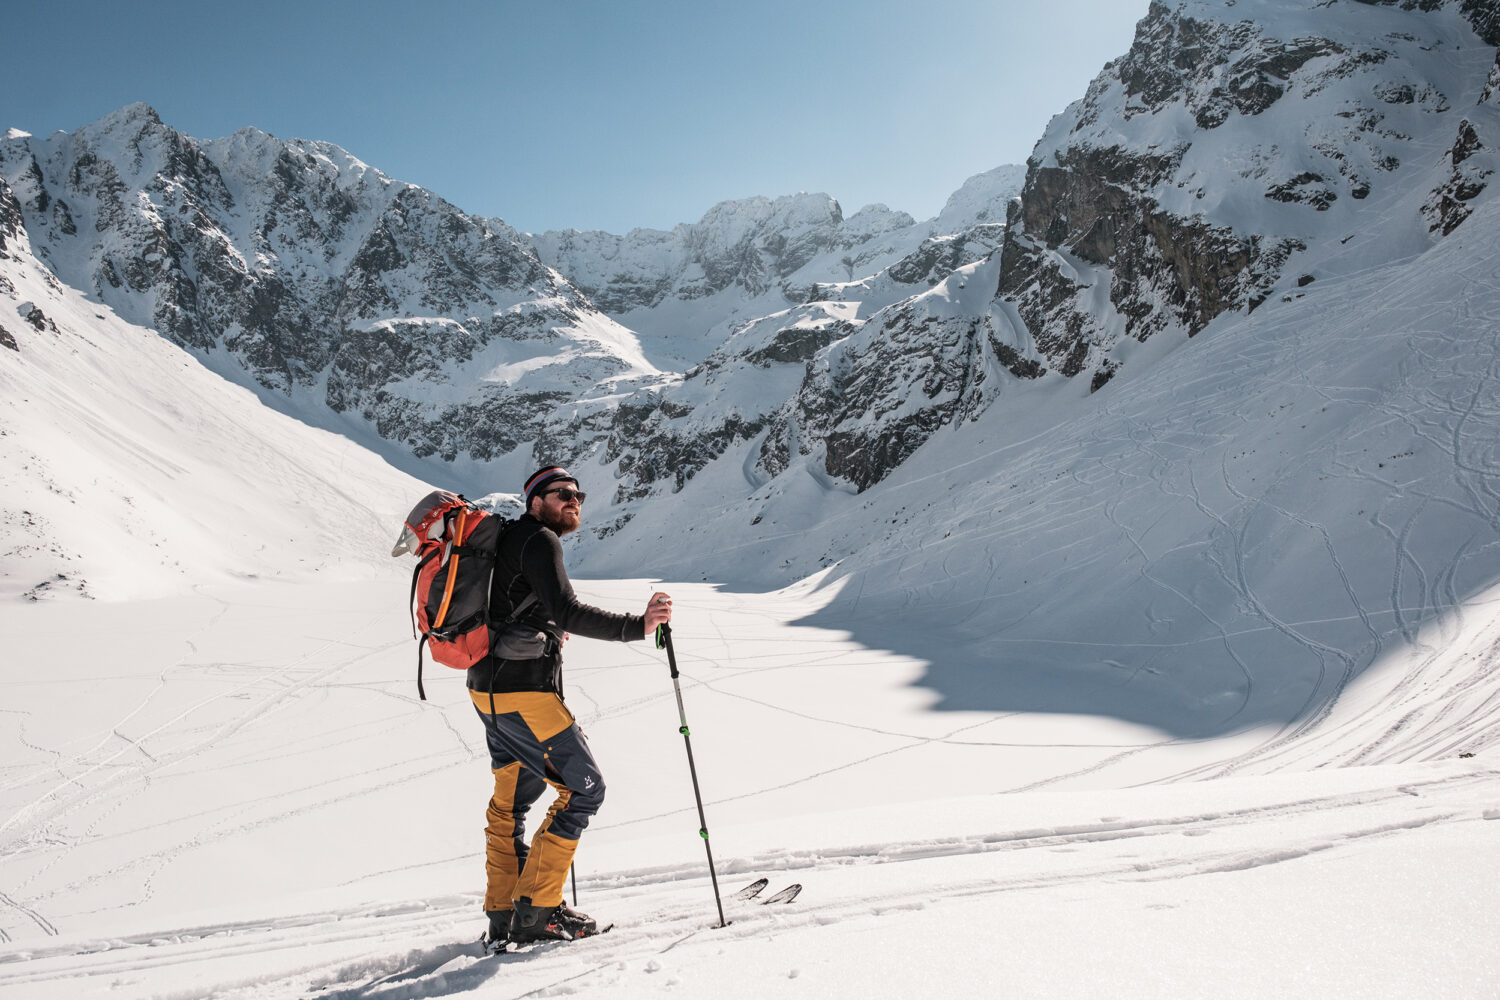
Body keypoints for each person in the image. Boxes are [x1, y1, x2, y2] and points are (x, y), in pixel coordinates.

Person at [471, 465, 672, 950]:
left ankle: (505, 913)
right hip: (525, 695)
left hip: (486, 690)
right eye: (561, 494)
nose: (573, 500)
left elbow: (520, 607)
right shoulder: (540, 540)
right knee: (584, 791)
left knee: (511, 802)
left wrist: (541, 627)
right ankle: (537, 912)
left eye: (578, 494)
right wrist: (637, 626)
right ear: (534, 500)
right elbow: (568, 610)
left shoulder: (507, 541)